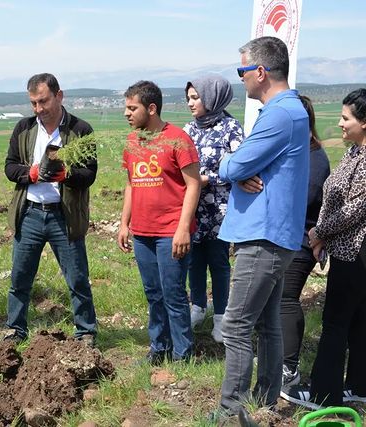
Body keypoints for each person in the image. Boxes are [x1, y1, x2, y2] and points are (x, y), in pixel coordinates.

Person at [214, 36, 310, 417]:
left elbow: (233, 167)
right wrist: (240, 169)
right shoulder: (291, 110)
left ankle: (230, 413)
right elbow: (244, 168)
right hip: (275, 234)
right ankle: (264, 402)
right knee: (268, 324)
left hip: (263, 235)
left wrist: (231, 167)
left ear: (260, 71)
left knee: (236, 325)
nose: (240, 79)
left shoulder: (279, 114)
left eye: (242, 71)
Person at [281, 88, 366, 410]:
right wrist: (324, 235)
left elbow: (355, 208)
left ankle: (323, 395)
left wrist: (318, 232)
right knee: (359, 321)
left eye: (346, 118)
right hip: (347, 246)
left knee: (335, 325)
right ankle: (358, 385)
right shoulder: (355, 152)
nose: (340, 124)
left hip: (355, 251)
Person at [3, 73, 98, 346]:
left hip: (63, 216)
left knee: (77, 278)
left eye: (43, 101)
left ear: (59, 96)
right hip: (30, 213)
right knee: (20, 277)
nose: (38, 109)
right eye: (33, 103)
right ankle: (15, 329)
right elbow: (10, 167)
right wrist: (30, 173)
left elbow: (89, 174)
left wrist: (65, 175)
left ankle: (85, 331)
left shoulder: (81, 130)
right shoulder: (23, 128)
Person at [117, 80, 201, 362]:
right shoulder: (132, 141)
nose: (127, 114)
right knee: (153, 293)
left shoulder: (177, 139)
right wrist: (124, 223)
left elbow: (193, 185)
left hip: (170, 232)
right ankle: (159, 347)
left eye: (132, 108)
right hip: (141, 232)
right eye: (126, 108)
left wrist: (182, 229)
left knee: (174, 294)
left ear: (151, 108)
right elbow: (131, 184)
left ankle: (183, 353)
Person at [183, 75, 244, 343]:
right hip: (192, 207)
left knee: (218, 262)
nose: (190, 103)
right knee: (193, 260)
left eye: (196, 97)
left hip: (219, 209)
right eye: (188, 98)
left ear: (212, 97)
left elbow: (240, 168)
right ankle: (198, 306)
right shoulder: (188, 130)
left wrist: (208, 179)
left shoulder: (231, 128)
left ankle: (221, 316)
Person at [279, 95, 330, 387]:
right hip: (286, 239)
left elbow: (304, 200)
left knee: (286, 300)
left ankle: (289, 368)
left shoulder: (314, 158)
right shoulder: (298, 152)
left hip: (300, 242)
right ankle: (280, 357)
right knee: (276, 301)